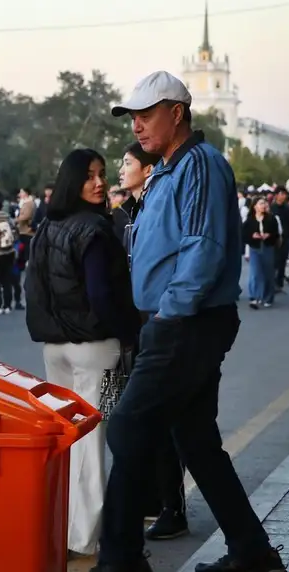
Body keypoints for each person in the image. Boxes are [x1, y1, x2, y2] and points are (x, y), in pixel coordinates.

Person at [94, 71, 284, 572]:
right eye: (132, 116)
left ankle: (120, 559)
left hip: (186, 322)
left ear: (176, 113)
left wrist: (167, 318)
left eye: (145, 114)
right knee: (196, 440)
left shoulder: (199, 165)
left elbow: (202, 251)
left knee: (129, 429)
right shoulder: (168, 171)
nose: (136, 126)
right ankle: (251, 551)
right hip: (180, 320)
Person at [26, 149, 140, 557]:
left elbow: (34, 291)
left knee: (64, 441)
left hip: (54, 349)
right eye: (89, 176)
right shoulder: (95, 229)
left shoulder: (45, 229)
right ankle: (85, 537)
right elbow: (101, 295)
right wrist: (129, 330)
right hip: (94, 348)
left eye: (102, 174)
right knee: (91, 446)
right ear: (73, 181)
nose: (98, 182)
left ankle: (59, 527)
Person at [114, 140, 189, 539]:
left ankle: (170, 507)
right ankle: (158, 501)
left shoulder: (159, 204)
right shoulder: (129, 211)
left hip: (161, 322)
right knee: (162, 421)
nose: (119, 169)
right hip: (141, 323)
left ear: (148, 169)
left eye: (127, 163)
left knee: (163, 420)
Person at [243, 198, 280, 309]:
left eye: (264, 203)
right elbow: (244, 235)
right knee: (255, 273)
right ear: (255, 206)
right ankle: (254, 297)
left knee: (268, 273)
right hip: (255, 248)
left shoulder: (271, 219)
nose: (263, 205)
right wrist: (252, 236)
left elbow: (276, 234)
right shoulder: (249, 220)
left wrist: (269, 235)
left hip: (268, 247)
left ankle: (268, 297)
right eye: (261, 203)